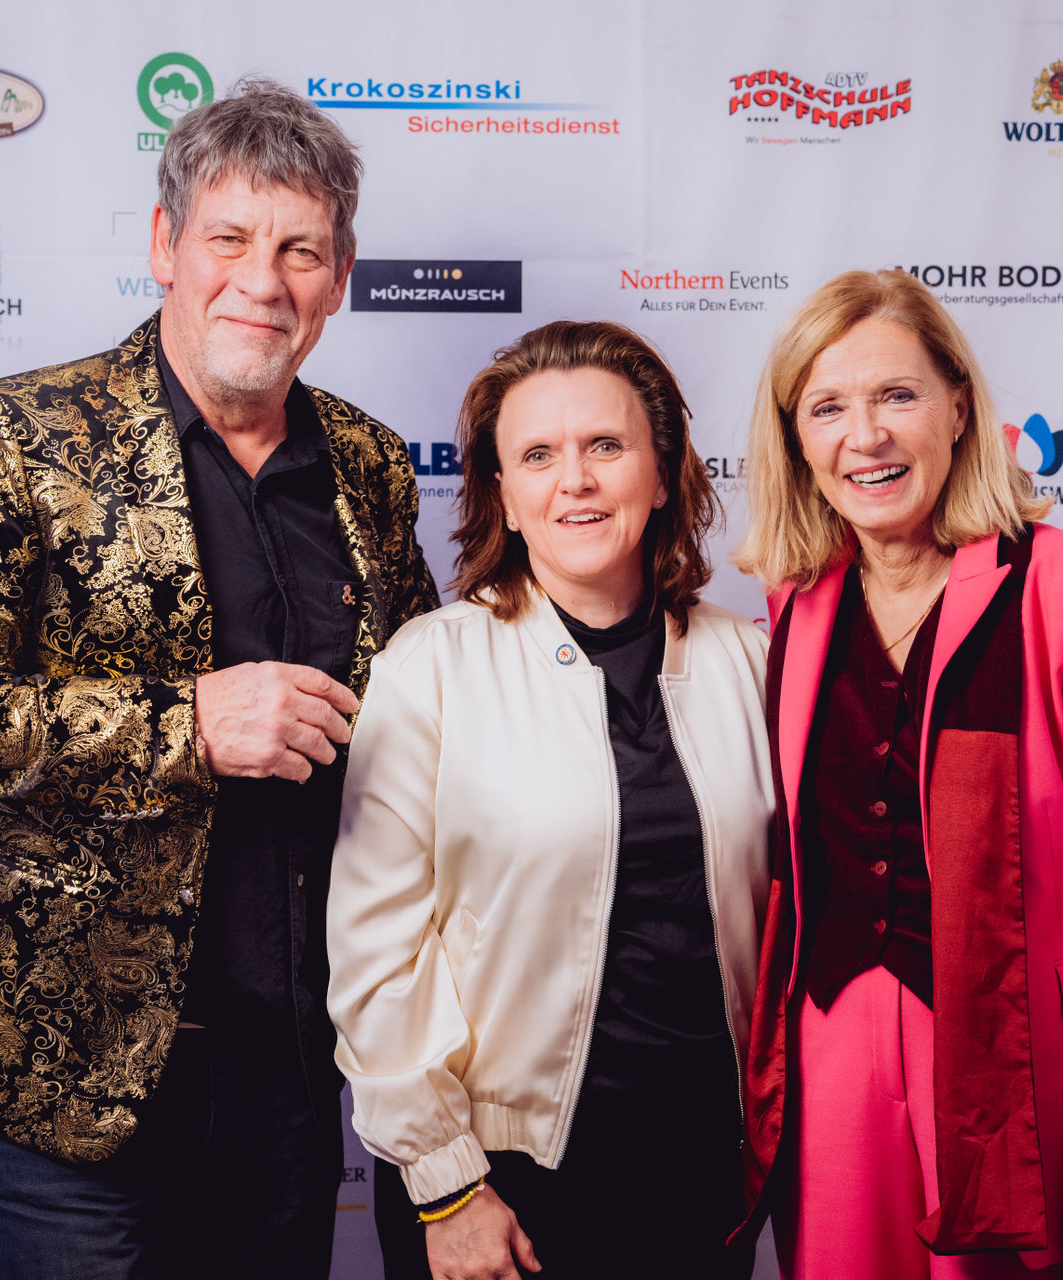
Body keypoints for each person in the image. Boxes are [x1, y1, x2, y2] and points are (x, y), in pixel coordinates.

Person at [0, 77, 437, 1279]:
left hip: (292, 1071)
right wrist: (192, 726)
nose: (263, 281)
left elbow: (429, 714)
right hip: (67, 1072)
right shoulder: (20, 432)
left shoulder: (371, 464)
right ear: (166, 244)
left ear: (340, 276)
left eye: (301, 250)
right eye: (229, 238)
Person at [731, 269, 1063, 1280]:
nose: (866, 436)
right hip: (830, 1058)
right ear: (797, 440)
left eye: (896, 395)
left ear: (957, 406)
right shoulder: (796, 604)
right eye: (827, 407)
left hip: (1016, 1069)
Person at [326, 321, 772, 1280]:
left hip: (702, 1168)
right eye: (538, 456)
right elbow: (375, 958)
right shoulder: (432, 667)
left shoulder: (752, 663)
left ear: (662, 476)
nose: (576, 480)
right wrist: (447, 1184)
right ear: (505, 496)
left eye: (605, 446)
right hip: (501, 1179)